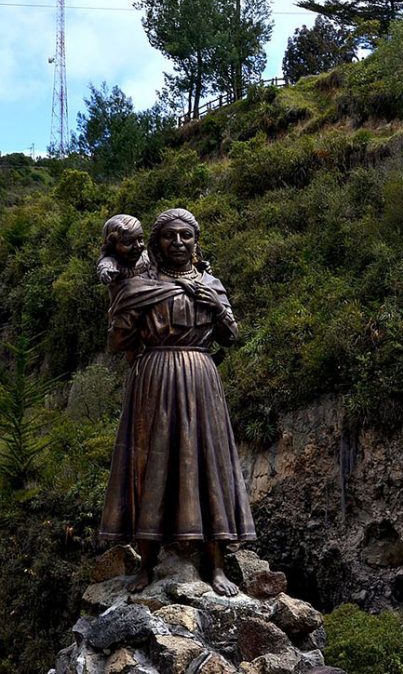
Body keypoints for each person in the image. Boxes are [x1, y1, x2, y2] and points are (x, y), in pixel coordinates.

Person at [99, 208, 255, 595]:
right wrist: (124, 306)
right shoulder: (140, 284)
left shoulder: (210, 283)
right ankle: (147, 563)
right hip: (153, 379)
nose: (179, 243)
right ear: (156, 243)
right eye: (170, 237)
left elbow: (232, 336)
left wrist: (215, 305)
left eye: (186, 236)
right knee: (151, 462)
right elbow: (118, 341)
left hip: (201, 379)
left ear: (195, 240)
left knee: (208, 462)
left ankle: (216, 566)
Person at [95, 214, 150, 287]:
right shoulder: (112, 262)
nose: (137, 246)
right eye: (128, 242)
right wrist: (106, 272)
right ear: (112, 244)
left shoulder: (146, 257)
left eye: (140, 239)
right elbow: (105, 265)